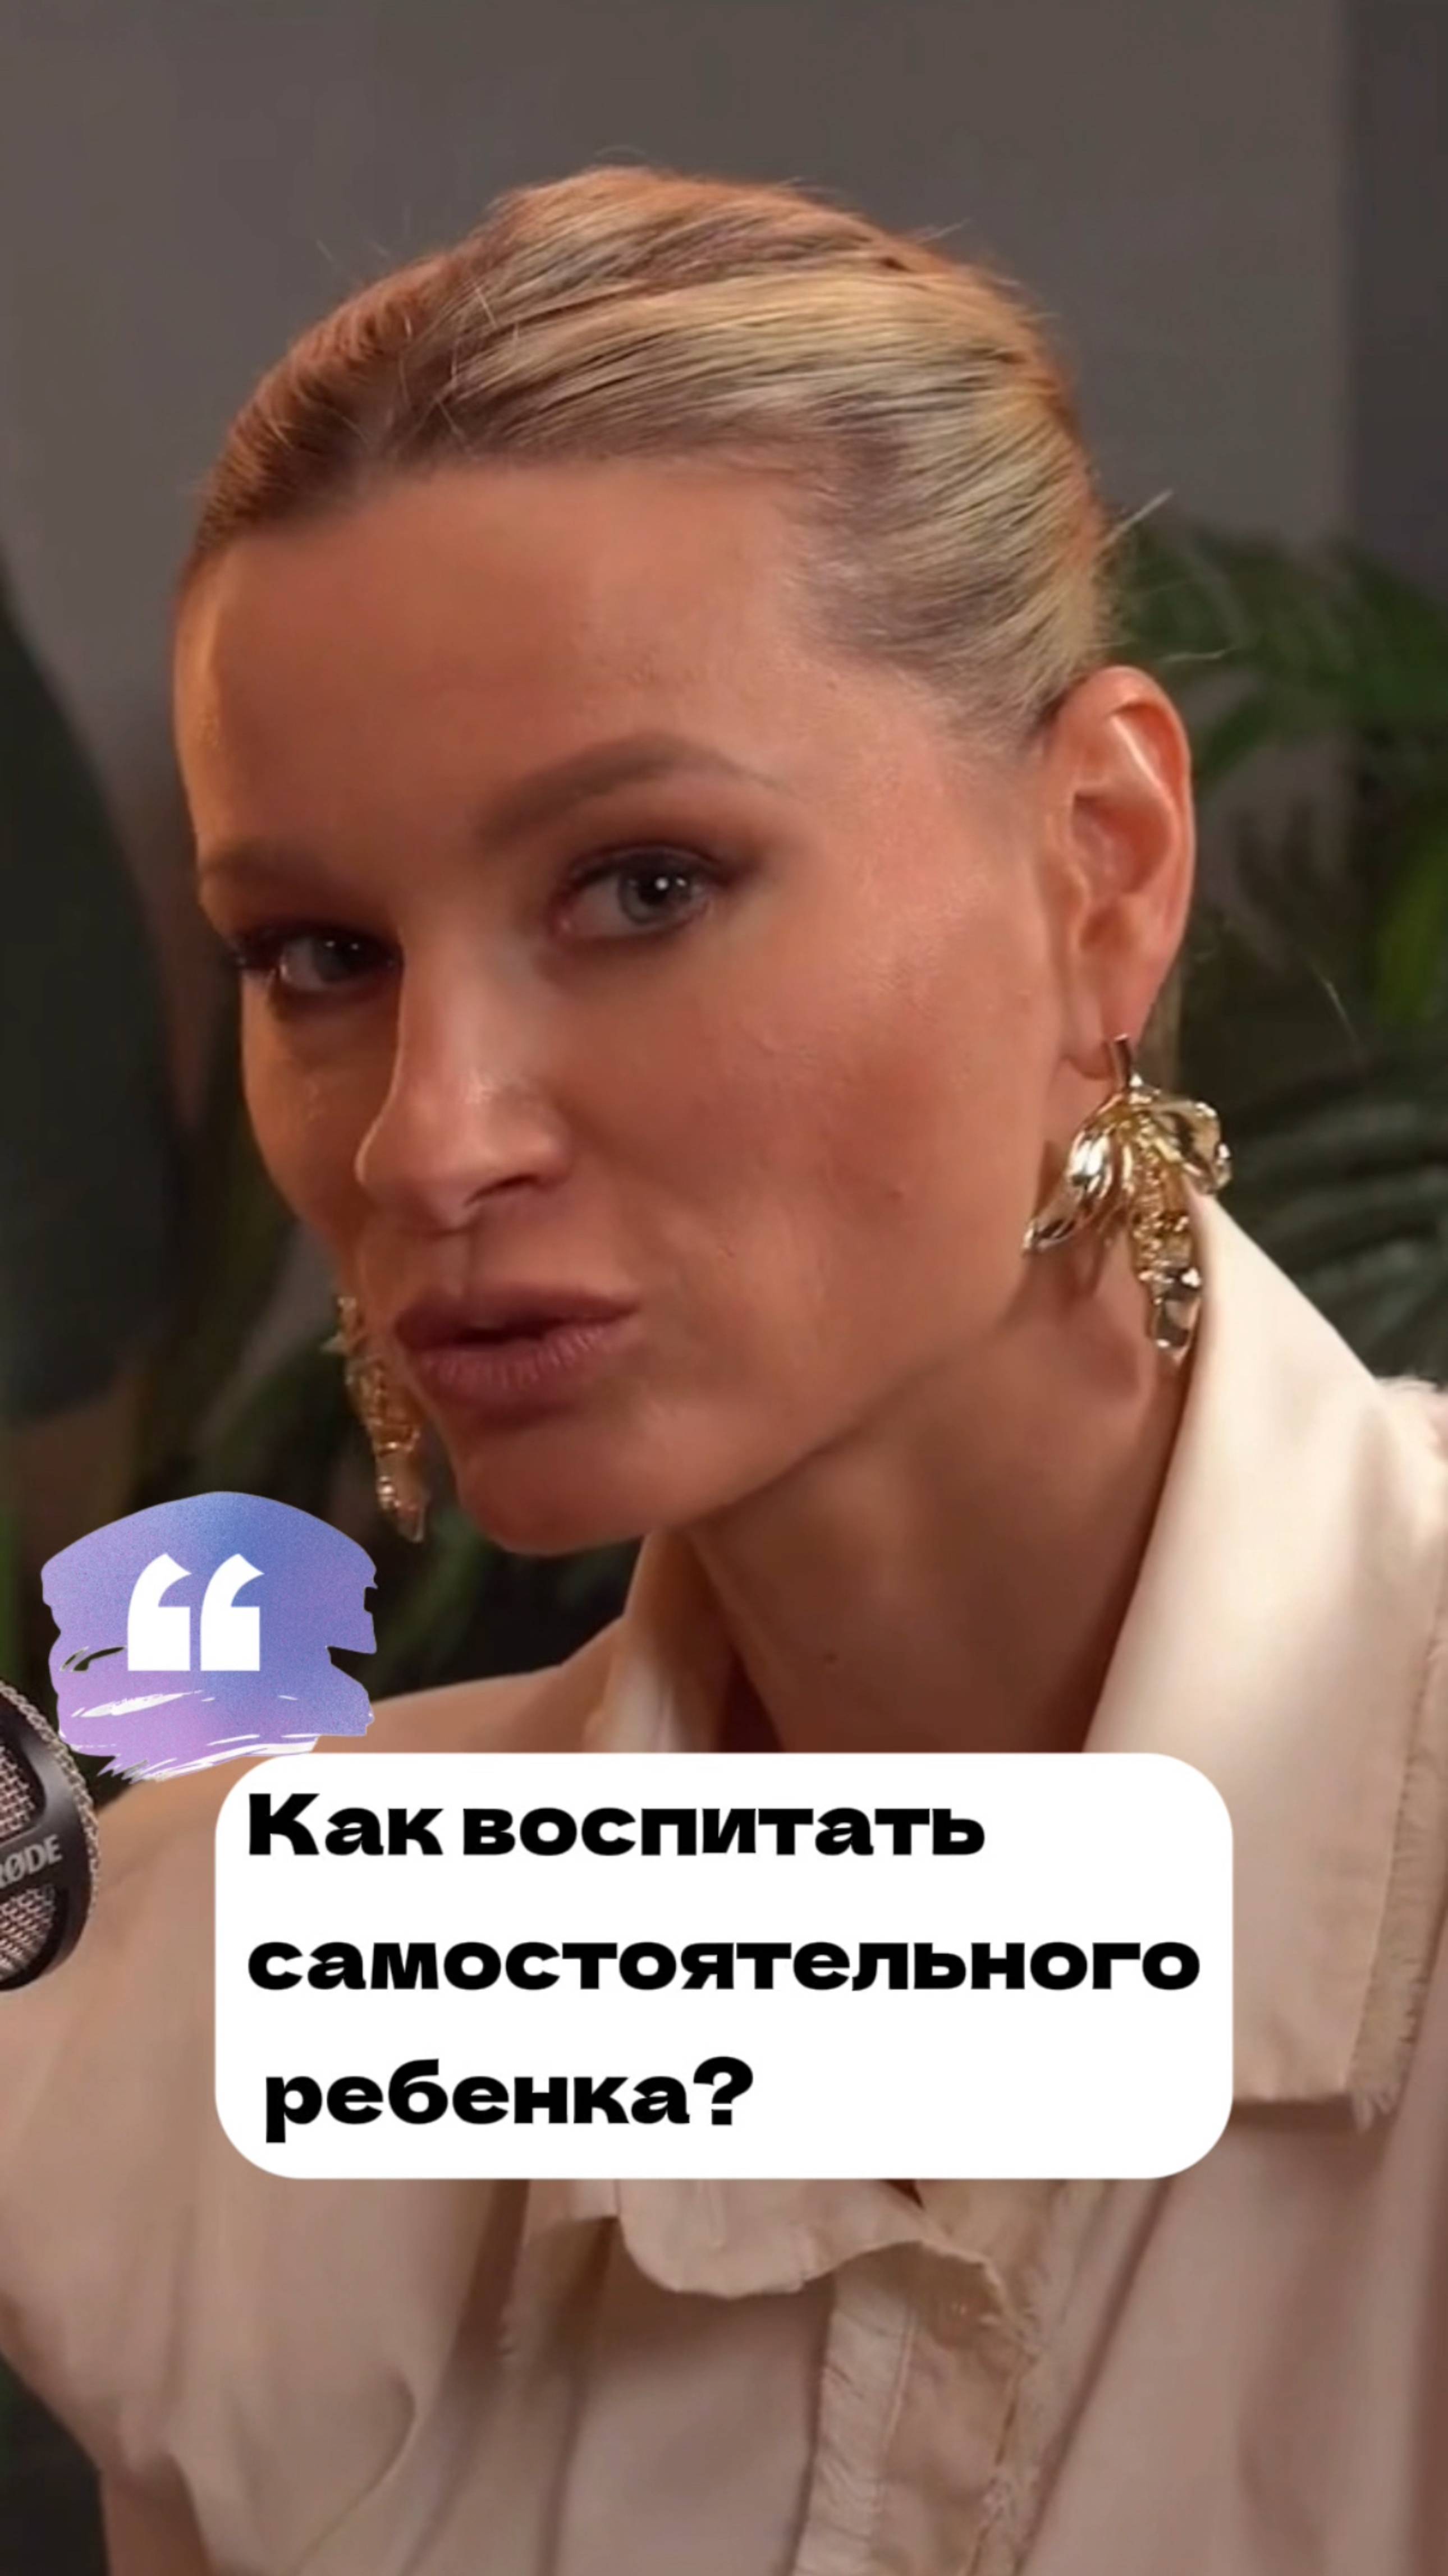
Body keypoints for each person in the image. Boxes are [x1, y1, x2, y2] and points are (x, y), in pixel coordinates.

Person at [3, 160, 1448, 2576]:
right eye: (322, 955)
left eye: (643, 886)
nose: (429, 1137)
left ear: (1099, 864)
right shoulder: (222, 2018)